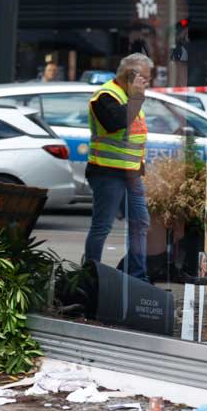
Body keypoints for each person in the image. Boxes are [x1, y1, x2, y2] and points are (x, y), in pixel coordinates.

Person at [84, 53, 152, 282]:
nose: (147, 82)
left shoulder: (129, 96)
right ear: (131, 74)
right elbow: (114, 124)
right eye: (145, 78)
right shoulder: (105, 95)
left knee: (140, 223)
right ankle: (89, 274)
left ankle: (136, 277)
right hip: (107, 172)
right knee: (102, 226)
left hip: (131, 174)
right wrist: (136, 99)